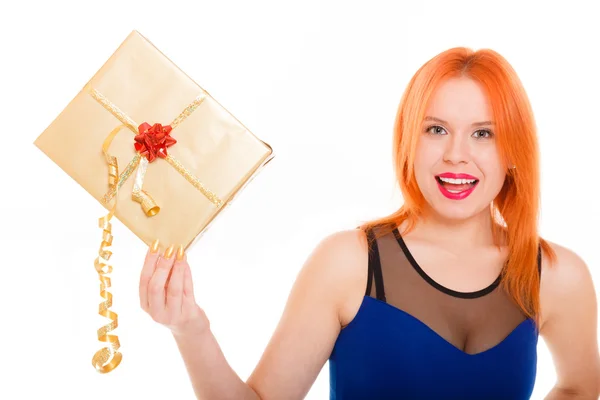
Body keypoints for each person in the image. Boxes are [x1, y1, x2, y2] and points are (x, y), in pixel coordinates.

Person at [138, 47, 600, 399]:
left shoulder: (557, 276)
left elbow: (583, 387)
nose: (457, 153)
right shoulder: (349, 264)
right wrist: (189, 328)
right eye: (435, 129)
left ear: (513, 151)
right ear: (408, 141)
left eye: (484, 133)